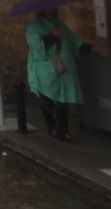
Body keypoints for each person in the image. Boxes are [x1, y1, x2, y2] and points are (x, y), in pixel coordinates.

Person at [25, 12, 86, 142]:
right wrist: (52, 37)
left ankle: (63, 130)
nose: (52, 11)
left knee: (63, 100)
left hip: (63, 70)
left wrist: (88, 47)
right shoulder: (33, 28)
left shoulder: (59, 24)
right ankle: (51, 126)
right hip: (45, 70)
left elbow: (73, 40)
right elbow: (37, 47)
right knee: (46, 99)